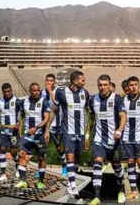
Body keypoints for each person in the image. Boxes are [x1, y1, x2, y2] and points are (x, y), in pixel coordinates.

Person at [47, 70, 90, 198]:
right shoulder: (61, 92)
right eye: (82, 80)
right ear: (75, 81)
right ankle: (73, 184)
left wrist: (87, 133)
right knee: (70, 157)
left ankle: (71, 183)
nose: (84, 82)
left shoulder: (85, 94)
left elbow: (88, 113)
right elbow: (54, 110)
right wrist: (47, 128)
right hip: (67, 131)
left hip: (80, 132)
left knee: (77, 158)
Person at [88, 75, 127, 205]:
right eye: (100, 85)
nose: (103, 87)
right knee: (97, 163)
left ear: (109, 84)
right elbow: (91, 119)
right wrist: (88, 135)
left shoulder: (117, 99)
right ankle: (97, 197)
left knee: (116, 166)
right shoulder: (93, 99)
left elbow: (123, 116)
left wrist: (119, 130)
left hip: (114, 140)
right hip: (98, 139)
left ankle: (121, 189)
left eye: (105, 84)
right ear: (97, 85)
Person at [14, 83, 51, 189]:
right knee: (21, 154)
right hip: (27, 135)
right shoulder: (24, 102)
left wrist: (38, 128)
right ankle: (23, 181)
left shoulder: (44, 102)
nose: (36, 92)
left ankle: (40, 181)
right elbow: (21, 116)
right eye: (34, 91)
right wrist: (20, 129)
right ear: (30, 91)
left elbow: (46, 118)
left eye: (38, 90)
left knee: (41, 158)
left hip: (39, 135)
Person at [40, 74, 67, 177]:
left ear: (54, 82)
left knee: (59, 147)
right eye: (47, 81)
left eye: (51, 81)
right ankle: (41, 169)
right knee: (42, 147)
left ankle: (64, 165)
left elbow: (57, 102)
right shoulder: (42, 92)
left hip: (57, 123)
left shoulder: (59, 91)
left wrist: (50, 91)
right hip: (45, 123)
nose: (49, 83)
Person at [0, 83, 22, 182]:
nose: (6, 93)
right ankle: (3, 173)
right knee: (2, 149)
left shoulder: (17, 102)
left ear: (11, 90)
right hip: (3, 129)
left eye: (8, 91)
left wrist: (19, 124)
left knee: (14, 152)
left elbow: (22, 114)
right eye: (5, 92)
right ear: (2, 92)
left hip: (13, 129)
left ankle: (18, 166)